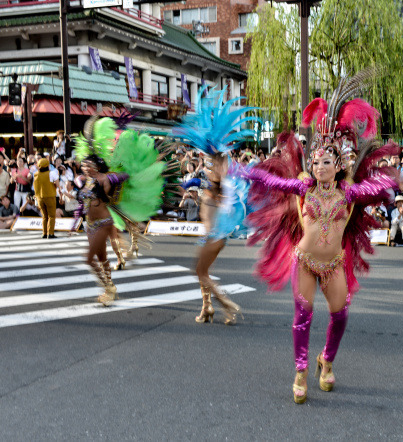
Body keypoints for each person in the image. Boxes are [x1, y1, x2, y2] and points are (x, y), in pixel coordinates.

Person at [242, 73, 399, 404]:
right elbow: (275, 182)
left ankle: (325, 361)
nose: (319, 166)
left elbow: (377, 186)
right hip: (304, 261)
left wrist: (393, 181)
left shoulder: (350, 193)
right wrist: (251, 171)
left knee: (340, 315)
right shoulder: (303, 187)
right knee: (304, 314)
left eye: (326, 161)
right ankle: (300, 371)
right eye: (315, 161)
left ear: (338, 164)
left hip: (334, 264)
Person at [174, 85, 256, 326]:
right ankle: (206, 307)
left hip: (215, 236)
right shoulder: (212, 187)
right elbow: (196, 184)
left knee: (200, 272)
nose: (208, 168)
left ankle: (226, 305)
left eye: (213, 165)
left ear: (223, 167)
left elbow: (221, 215)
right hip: (210, 235)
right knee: (202, 273)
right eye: (207, 164)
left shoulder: (224, 190)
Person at [73, 116, 167, 306]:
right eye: (84, 164)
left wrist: (123, 171)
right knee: (101, 258)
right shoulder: (87, 182)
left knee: (89, 260)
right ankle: (110, 287)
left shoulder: (106, 179)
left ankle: (109, 288)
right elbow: (81, 205)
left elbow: (125, 175)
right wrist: (75, 221)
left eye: (88, 164)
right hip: (90, 225)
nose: (84, 166)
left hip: (104, 223)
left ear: (97, 165)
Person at [33, 157, 58, 238]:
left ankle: (44, 233)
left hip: (39, 197)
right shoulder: (51, 173)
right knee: (51, 215)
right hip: (50, 196)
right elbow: (57, 184)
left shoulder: (36, 174)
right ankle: (50, 233)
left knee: (44, 216)